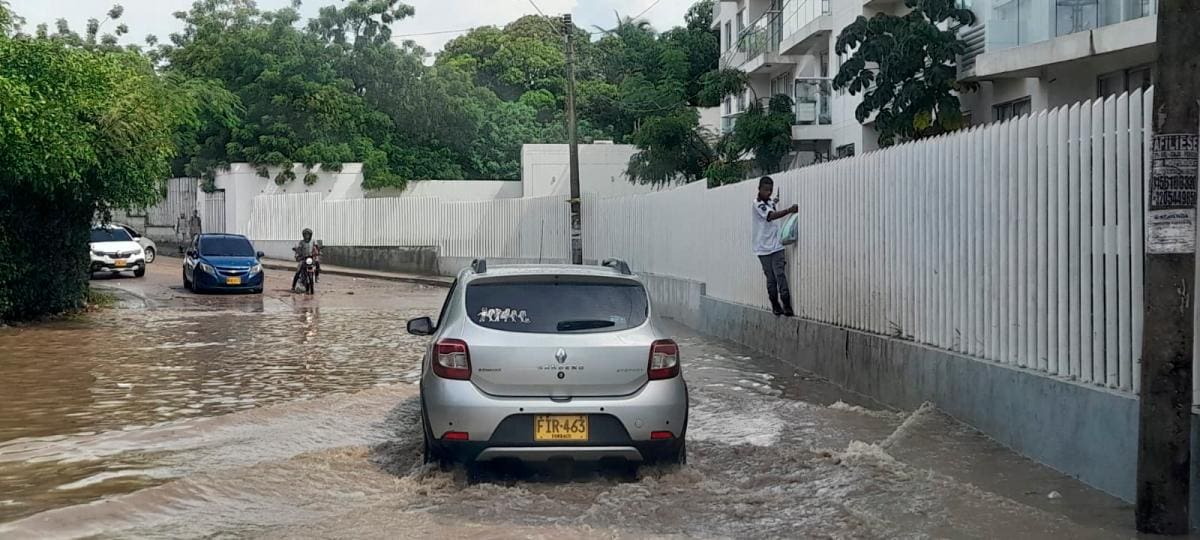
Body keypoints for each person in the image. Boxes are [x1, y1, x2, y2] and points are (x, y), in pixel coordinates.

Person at [752, 176, 798, 317]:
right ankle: (775, 304)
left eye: (770, 190)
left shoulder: (770, 201)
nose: (768, 192)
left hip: (777, 245)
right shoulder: (757, 204)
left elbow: (772, 204)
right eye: (766, 190)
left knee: (780, 275)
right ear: (759, 189)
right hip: (763, 248)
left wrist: (776, 200)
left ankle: (787, 305)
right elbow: (770, 216)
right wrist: (789, 210)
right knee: (771, 279)